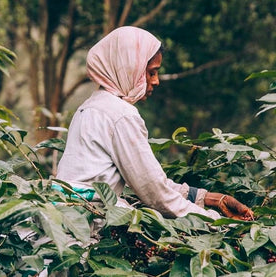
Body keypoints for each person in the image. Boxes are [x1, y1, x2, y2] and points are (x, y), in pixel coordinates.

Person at [56, 26, 253, 221]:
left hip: (63, 219)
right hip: (84, 230)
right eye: (151, 73)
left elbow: (149, 182)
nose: (156, 81)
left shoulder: (88, 108)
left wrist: (211, 199)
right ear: (129, 69)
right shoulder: (120, 115)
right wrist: (217, 222)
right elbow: (155, 193)